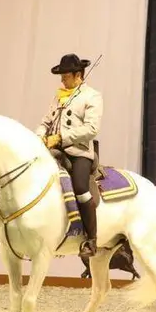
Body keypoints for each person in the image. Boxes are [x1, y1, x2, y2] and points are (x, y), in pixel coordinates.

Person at [35, 53, 102, 257]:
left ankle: (91, 240)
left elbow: (92, 129)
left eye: (65, 75)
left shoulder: (92, 96)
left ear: (78, 75)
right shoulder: (59, 96)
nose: (62, 79)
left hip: (78, 152)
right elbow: (46, 122)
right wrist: (38, 137)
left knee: (81, 189)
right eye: (61, 76)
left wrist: (61, 138)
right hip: (54, 150)